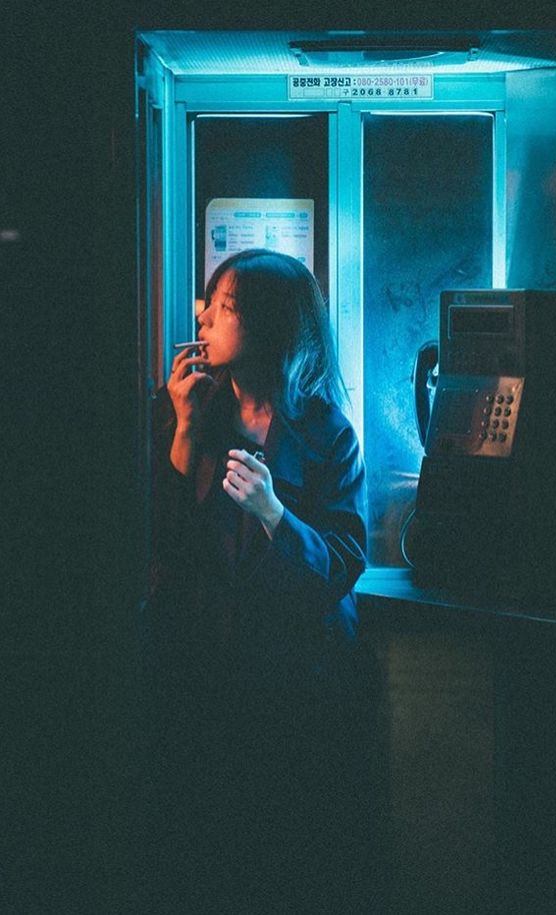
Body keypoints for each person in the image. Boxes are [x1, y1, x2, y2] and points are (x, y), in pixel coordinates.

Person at [143, 249, 378, 913]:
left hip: (297, 686)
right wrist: (185, 428)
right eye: (208, 303)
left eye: (225, 307)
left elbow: (343, 561)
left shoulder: (328, 432)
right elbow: (158, 539)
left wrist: (274, 511)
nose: (204, 316)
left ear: (271, 326)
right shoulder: (190, 409)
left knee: (291, 864)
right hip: (204, 674)